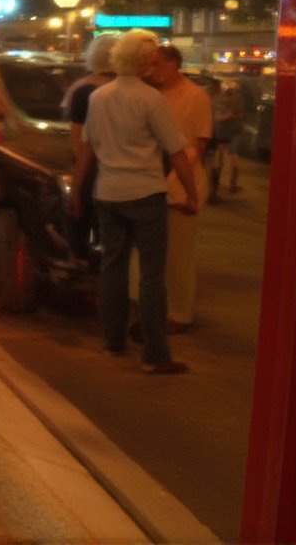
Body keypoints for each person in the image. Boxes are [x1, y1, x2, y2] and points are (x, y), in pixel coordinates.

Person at [72, 29, 199, 374]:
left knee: (112, 269)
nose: (156, 65)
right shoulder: (150, 99)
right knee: (152, 276)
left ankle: (113, 341)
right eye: (153, 60)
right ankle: (155, 354)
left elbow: (87, 148)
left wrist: (77, 189)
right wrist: (191, 192)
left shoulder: (99, 97)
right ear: (143, 62)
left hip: (108, 193)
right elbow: (177, 151)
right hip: (145, 195)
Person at [130, 45, 211, 336]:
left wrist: (180, 182)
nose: (153, 70)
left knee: (178, 256)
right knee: (147, 255)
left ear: (174, 64)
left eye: (158, 64)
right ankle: (147, 308)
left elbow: (197, 146)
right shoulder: (149, 95)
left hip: (179, 182)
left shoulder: (195, 97)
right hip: (149, 183)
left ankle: (180, 313)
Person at [63, 34, 120, 258]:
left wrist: (81, 175)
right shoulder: (132, 91)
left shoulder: (83, 90)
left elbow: (77, 140)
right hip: (122, 170)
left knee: (82, 220)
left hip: (93, 168)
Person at [207, 79, 245, 200]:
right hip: (229, 131)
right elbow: (226, 116)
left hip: (219, 131)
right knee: (228, 157)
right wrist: (233, 116)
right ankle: (229, 185)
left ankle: (214, 190)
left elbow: (216, 115)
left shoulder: (214, 98)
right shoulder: (233, 99)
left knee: (219, 157)